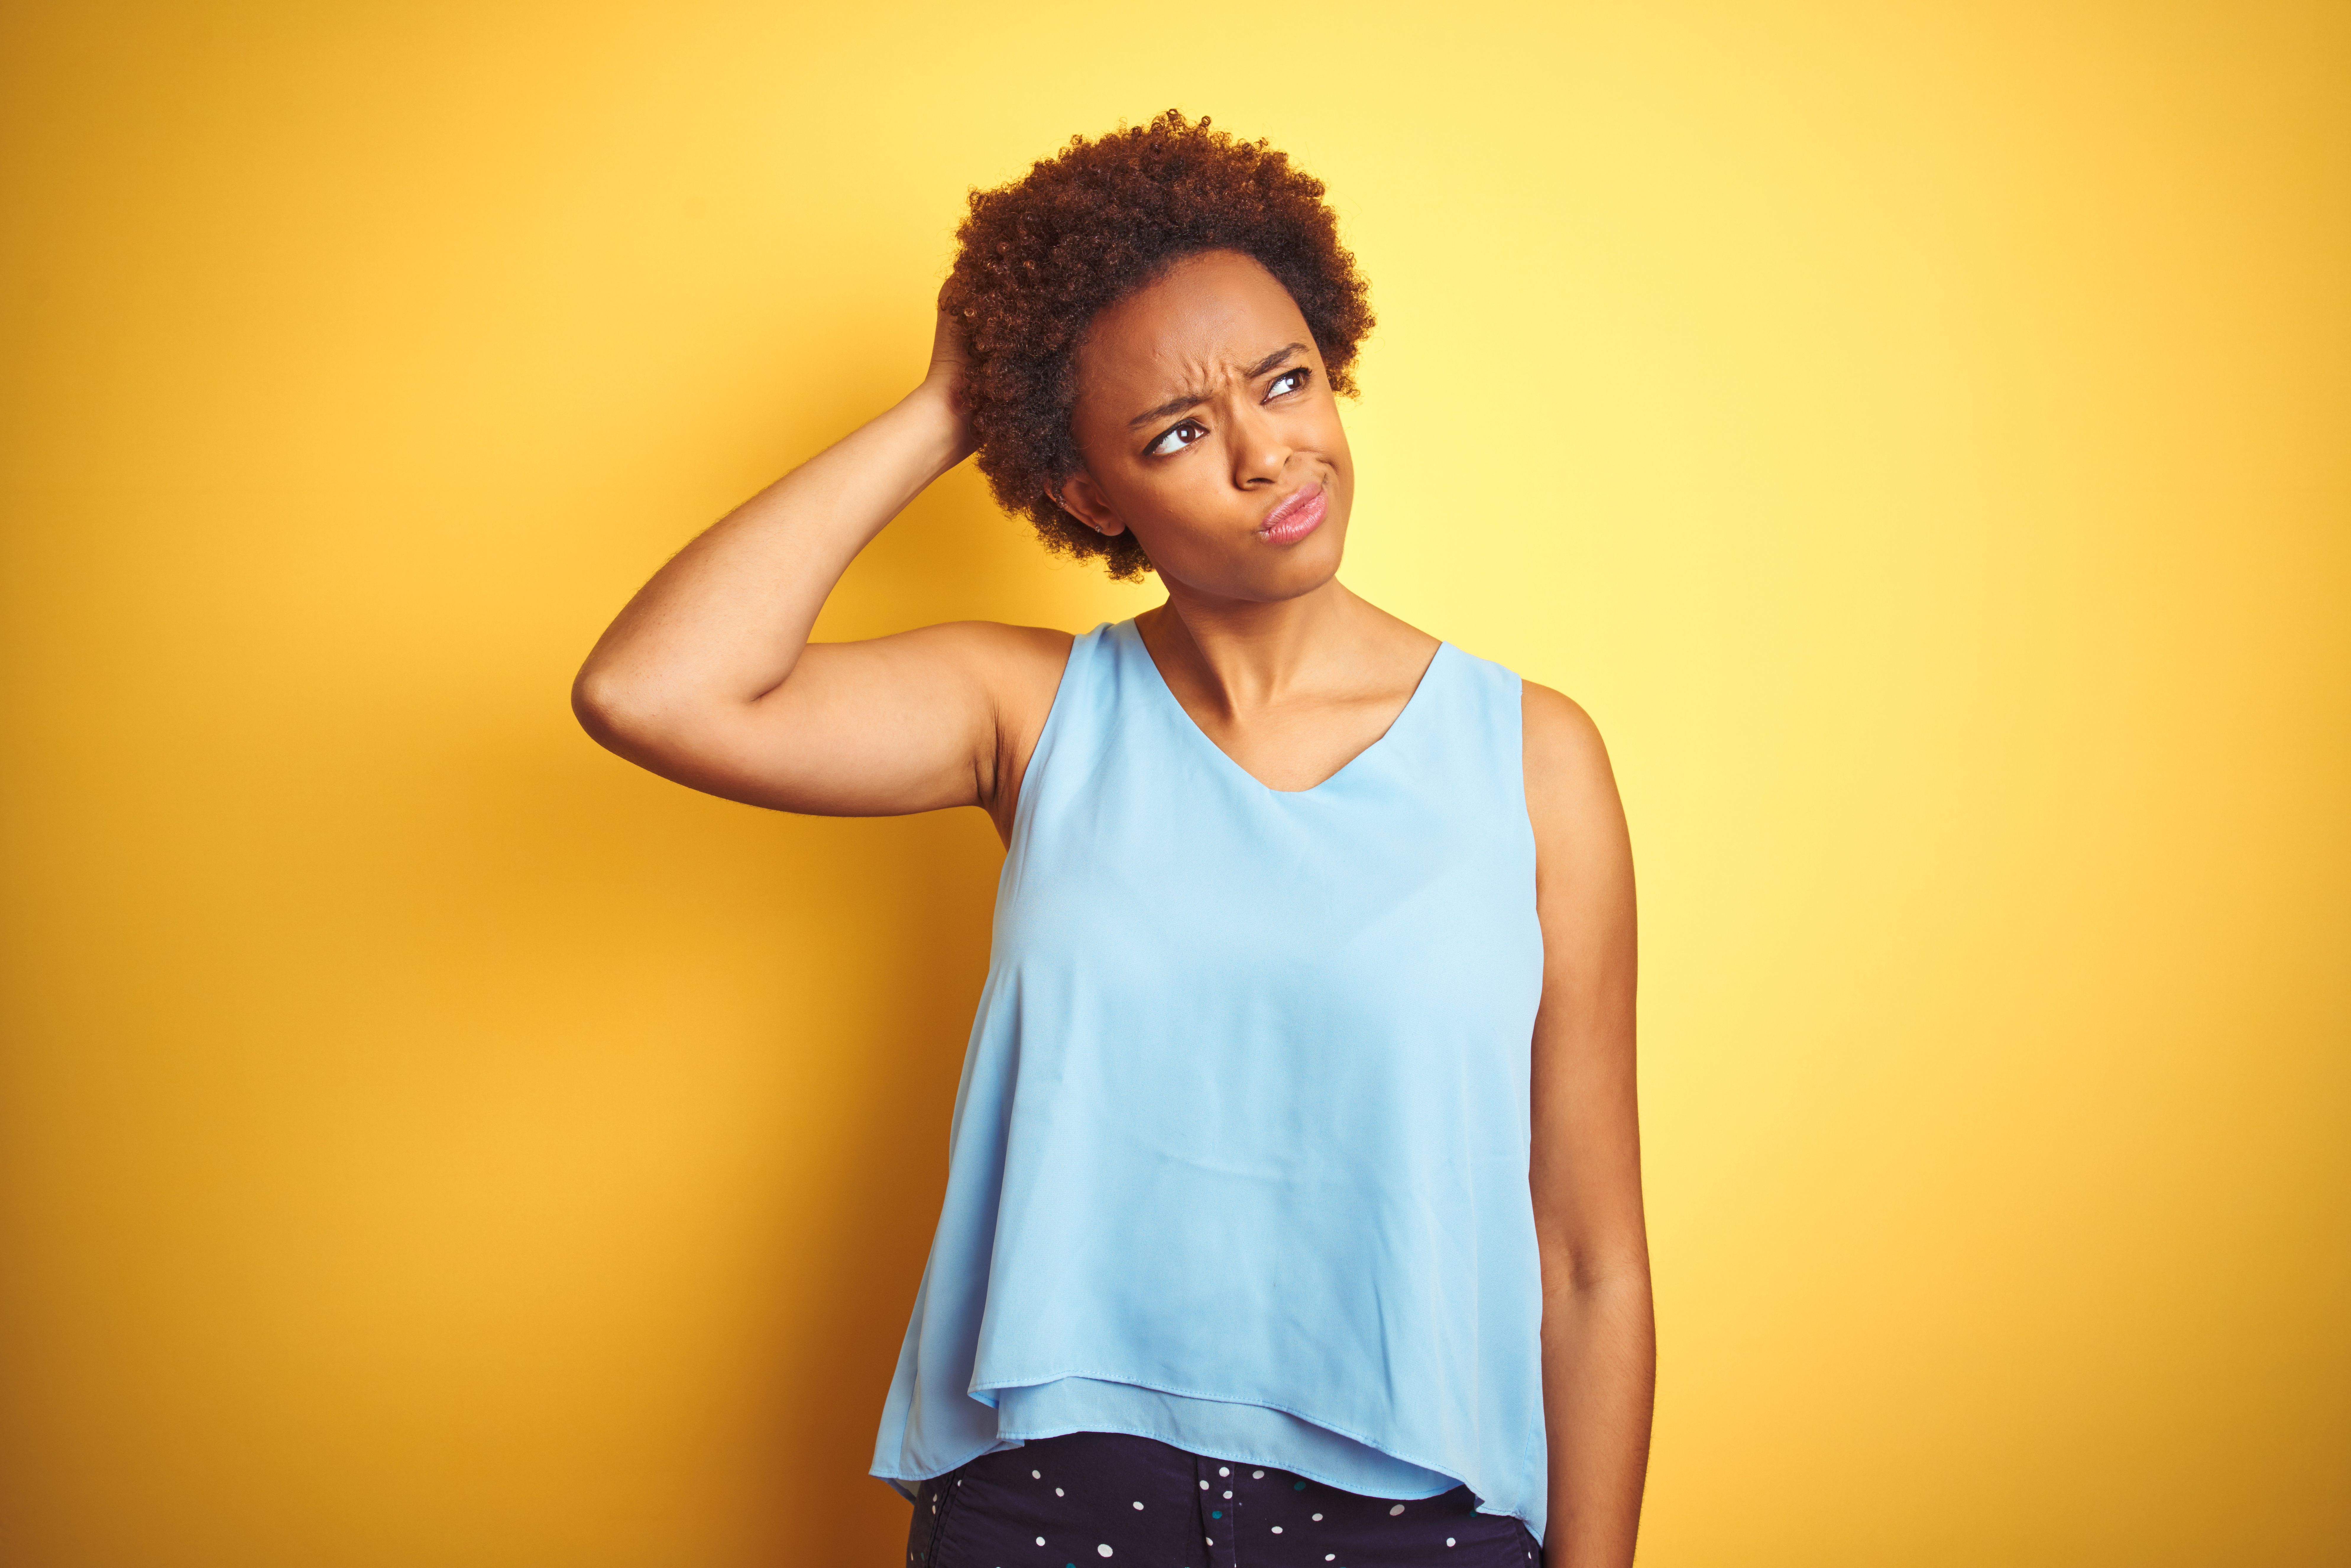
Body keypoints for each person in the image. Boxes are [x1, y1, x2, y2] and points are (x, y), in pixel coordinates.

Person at [573, 111, 1651, 1568]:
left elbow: (1587, 1262)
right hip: (1050, 1513)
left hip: (1418, 1529)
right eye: (1178, 433)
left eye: (1285, 382)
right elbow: (650, 691)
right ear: (1089, 494)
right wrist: (945, 409)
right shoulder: (1030, 714)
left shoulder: (1532, 758)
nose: (1267, 455)